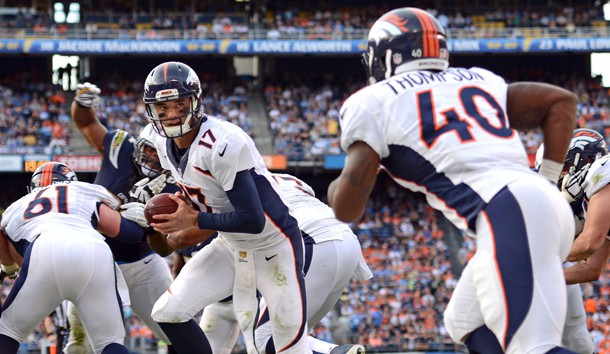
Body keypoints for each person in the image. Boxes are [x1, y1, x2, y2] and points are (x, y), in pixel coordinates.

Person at [327, 7, 578, 354]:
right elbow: (561, 102)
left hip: (508, 209)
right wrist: (548, 179)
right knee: (463, 320)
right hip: (538, 205)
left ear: (385, 56)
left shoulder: (374, 101)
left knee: (535, 347)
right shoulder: (478, 78)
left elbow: (347, 208)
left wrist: (332, 189)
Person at [143, 61, 310, 354]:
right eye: (163, 108)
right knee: (168, 312)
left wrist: (195, 218)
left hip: (274, 246)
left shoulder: (221, 142)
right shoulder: (159, 141)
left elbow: (252, 219)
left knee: (287, 349)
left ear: (195, 101)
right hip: (231, 245)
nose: (171, 114)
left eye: (179, 104)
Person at [188, 173, 371, 354]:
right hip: (345, 242)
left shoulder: (232, 188)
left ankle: (334, 352)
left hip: (312, 242)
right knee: (294, 341)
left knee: (267, 339)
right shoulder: (287, 179)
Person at [70, 84, 178, 353]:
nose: (152, 157)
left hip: (142, 265)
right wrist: (82, 103)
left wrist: (151, 226)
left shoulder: (175, 184)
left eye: (158, 153)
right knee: (81, 343)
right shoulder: (120, 148)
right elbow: (86, 122)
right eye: (149, 150)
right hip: (93, 263)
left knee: (175, 327)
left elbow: (166, 247)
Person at [0, 162, 150, 354]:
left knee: (8, 332)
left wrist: (8, 268)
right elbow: (126, 233)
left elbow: (7, 246)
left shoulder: (16, 206)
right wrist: (144, 224)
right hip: (95, 250)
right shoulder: (83, 190)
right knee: (108, 343)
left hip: (45, 249)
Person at [537, 129, 610, 354]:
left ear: (581, 160)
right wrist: (541, 277)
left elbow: (589, 243)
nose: (558, 178)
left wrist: (542, 259)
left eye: (562, 168)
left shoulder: (602, 170)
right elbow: (590, 269)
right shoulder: (594, 205)